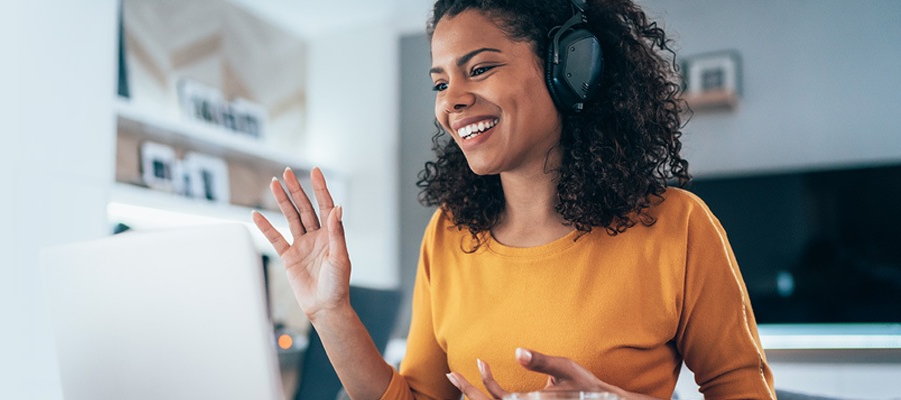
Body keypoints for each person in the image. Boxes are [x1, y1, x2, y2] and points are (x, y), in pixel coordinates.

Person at [251, 0, 776, 398]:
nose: (451, 101)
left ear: (571, 68)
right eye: (440, 83)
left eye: (479, 69)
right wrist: (330, 312)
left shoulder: (677, 227)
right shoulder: (450, 233)